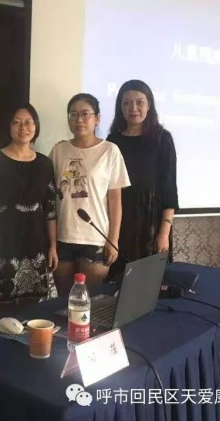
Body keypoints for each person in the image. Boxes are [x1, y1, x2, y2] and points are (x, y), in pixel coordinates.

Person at [50, 93, 130, 295]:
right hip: (63, 236)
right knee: (63, 302)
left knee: (90, 302)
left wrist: (113, 240)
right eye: (73, 114)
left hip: (96, 238)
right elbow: (50, 196)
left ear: (97, 118)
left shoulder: (110, 151)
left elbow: (115, 201)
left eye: (85, 114)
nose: (79, 119)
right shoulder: (59, 151)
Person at [0, 103, 58, 302]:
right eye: (17, 122)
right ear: (9, 126)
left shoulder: (45, 164)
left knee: (31, 306)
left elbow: (50, 209)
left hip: (36, 242)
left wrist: (53, 246)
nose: (23, 128)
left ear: (36, 126)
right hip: (2, 239)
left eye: (29, 122)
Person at [107, 79, 179, 276]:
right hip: (120, 221)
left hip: (151, 222)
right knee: (118, 280)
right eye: (127, 103)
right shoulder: (113, 141)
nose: (134, 108)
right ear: (120, 107)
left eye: (140, 102)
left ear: (149, 105)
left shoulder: (162, 138)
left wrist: (164, 232)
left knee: (149, 283)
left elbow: (169, 188)